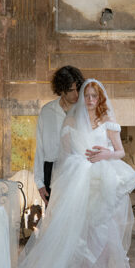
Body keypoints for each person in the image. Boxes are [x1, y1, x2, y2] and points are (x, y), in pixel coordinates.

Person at [14, 79, 135, 268]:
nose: (91, 100)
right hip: (78, 181)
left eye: (94, 96)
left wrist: (106, 154)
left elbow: (120, 151)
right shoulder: (71, 121)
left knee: (102, 236)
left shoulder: (108, 122)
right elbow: (65, 156)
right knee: (81, 236)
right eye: (87, 95)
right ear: (81, 97)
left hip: (104, 182)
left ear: (100, 98)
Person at [33, 66, 85, 206]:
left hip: (79, 170)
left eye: (78, 89)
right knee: (54, 219)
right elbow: (40, 148)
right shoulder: (47, 111)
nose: (77, 94)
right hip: (52, 170)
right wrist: (39, 182)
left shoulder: (85, 111)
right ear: (61, 90)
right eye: (71, 90)